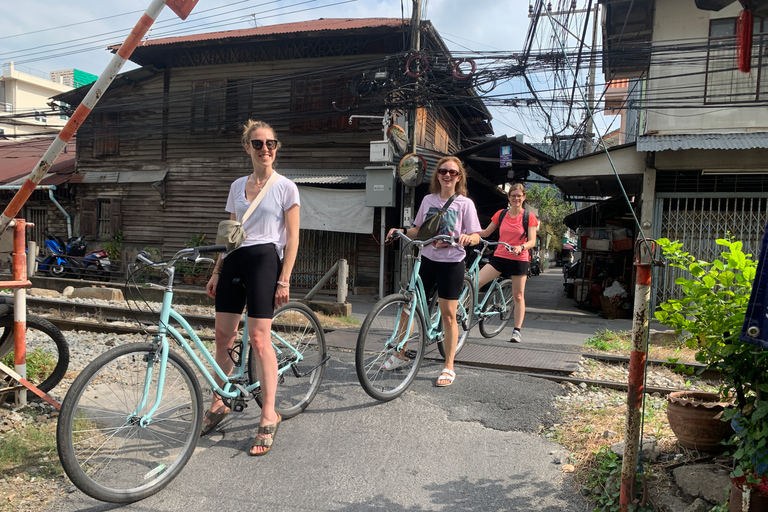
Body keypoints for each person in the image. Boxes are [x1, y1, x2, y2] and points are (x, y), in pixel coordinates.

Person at [203, 120, 300, 456]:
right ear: (247, 148)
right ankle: (219, 401)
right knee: (223, 336)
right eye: (258, 144)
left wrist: (284, 277)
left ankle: (269, 413)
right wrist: (217, 270)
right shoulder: (237, 186)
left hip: (264, 260)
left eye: (270, 143)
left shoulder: (286, 187)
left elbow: (294, 237)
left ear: (276, 147)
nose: (265, 149)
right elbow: (229, 232)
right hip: (234, 260)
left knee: (259, 338)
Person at [387, 156, 481, 387]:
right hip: (427, 258)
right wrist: (401, 230)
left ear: (459, 177)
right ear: (437, 175)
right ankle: (400, 353)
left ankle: (448, 365)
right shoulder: (428, 200)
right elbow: (419, 229)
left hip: (452, 262)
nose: (447, 175)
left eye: (452, 172)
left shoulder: (465, 204)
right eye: (443, 171)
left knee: (449, 314)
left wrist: (469, 237)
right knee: (409, 306)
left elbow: (477, 235)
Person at [476, 182, 538, 343]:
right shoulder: (501, 214)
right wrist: (468, 230)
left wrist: (521, 247)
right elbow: (486, 232)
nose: (516, 198)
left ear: (524, 197)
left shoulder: (529, 217)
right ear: (509, 197)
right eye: (513, 196)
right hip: (500, 257)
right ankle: (462, 312)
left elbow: (532, 241)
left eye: (519, 196)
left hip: (519, 259)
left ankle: (517, 330)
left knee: (518, 295)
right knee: (476, 282)